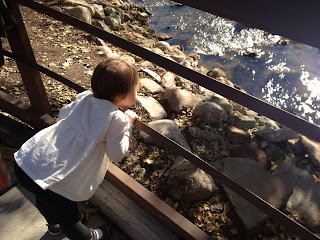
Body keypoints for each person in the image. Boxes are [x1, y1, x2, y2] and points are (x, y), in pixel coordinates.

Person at [14, 57, 140, 240]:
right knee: (69, 216)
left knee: (42, 196)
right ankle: (88, 237)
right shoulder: (117, 119)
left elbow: (64, 114)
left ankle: (54, 225)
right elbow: (116, 154)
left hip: (27, 162)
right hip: (54, 180)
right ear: (122, 96)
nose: (137, 93)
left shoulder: (85, 97)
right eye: (136, 89)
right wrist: (127, 126)